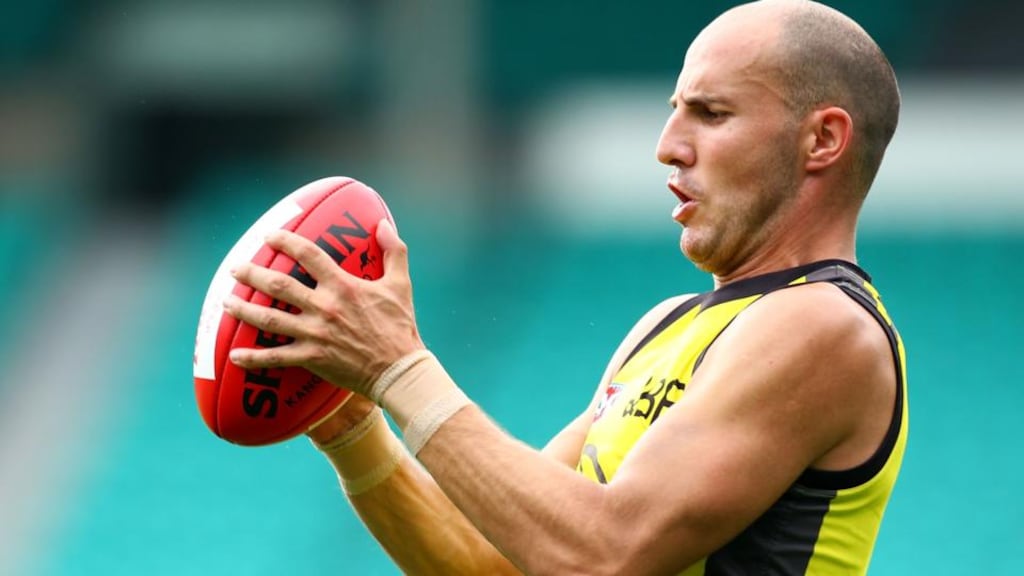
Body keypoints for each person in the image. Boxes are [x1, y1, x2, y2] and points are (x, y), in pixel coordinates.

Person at [223, 0, 908, 573]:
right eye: (675, 110)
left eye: (711, 113)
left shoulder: (824, 327)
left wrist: (397, 367)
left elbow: (604, 554)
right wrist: (353, 423)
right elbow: (497, 564)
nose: (668, 145)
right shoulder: (666, 325)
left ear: (822, 139)